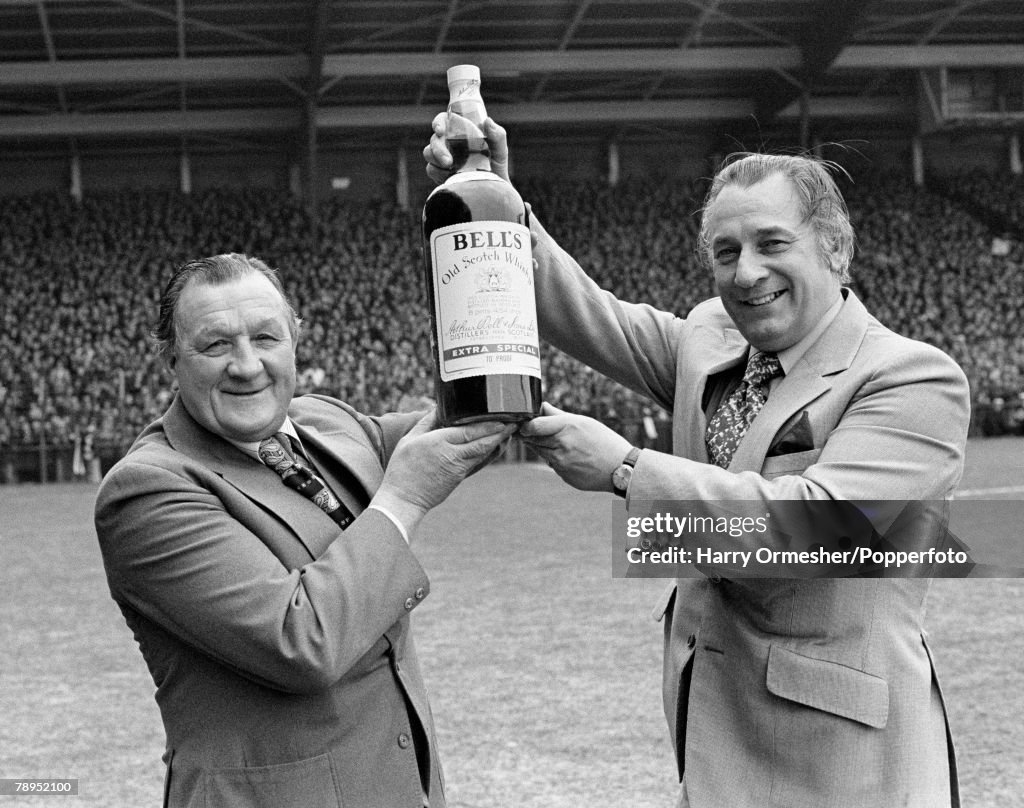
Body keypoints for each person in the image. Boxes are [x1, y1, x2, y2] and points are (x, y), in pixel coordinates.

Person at [425, 121, 971, 807]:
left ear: (835, 249)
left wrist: (627, 470)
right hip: (716, 726)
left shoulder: (913, 378)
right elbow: (588, 314)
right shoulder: (710, 339)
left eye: (773, 243)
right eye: (725, 251)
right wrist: (498, 207)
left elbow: (818, 531)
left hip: (841, 760)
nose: (746, 272)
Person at [94, 253, 513, 808]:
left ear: (296, 338)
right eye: (216, 345)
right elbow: (300, 642)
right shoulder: (147, 491)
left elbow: (457, 426)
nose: (246, 365)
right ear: (172, 359)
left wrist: (495, 239)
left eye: (266, 337)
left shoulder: (326, 420)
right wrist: (405, 498)